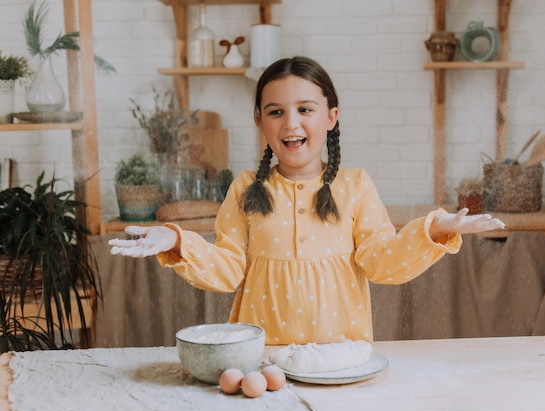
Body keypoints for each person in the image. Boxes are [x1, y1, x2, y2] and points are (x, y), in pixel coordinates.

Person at [109, 56, 505, 345]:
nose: (291, 123)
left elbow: (382, 261)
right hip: (262, 359)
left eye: (305, 110)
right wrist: (178, 240)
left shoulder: (355, 186)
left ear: (331, 117)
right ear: (260, 122)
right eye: (276, 112)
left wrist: (434, 229)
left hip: (340, 357)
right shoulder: (246, 189)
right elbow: (228, 269)